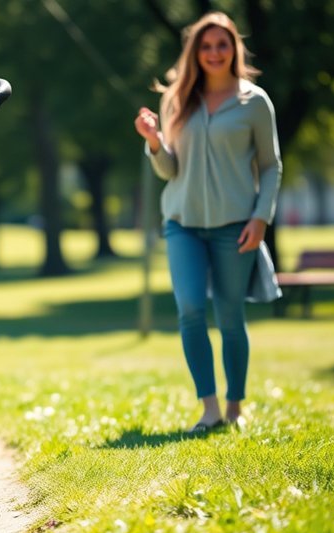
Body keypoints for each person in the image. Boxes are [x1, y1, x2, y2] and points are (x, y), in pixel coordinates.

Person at [133, 12, 282, 433]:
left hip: (236, 225)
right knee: (191, 311)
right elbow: (169, 168)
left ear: (234, 48)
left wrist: (261, 217)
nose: (215, 52)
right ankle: (210, 408)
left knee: (231, 318)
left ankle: (235, 407)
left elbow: (271, 166)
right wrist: (154, 142)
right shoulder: (177, 99)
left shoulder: (255, 102)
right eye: (206, 45)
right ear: (195, 52)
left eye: (222, 44)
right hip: (183, 223)